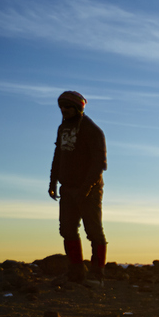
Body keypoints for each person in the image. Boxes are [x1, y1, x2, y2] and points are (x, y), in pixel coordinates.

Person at [48, 91, 107, 282]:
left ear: (78, 108)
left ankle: (97, 272)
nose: (64, 110)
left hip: (89, 189)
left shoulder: (92, 130)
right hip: (67, 188)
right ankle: (76, 270)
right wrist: (53, 181)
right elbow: (58, 155)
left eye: (68, 107)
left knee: (94, 231)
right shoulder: (62, 128)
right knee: (67, 229)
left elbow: (99, 163)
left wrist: (86, 188)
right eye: (61, 107)